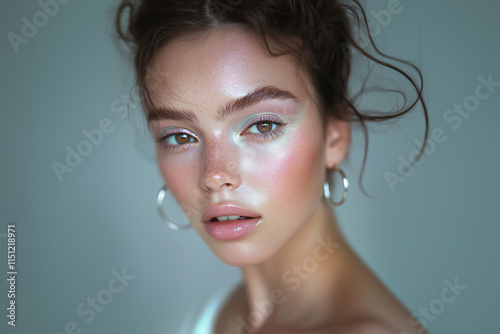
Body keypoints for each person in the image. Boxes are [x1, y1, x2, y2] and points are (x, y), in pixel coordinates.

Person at [115, 0, 430, 333]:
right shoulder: (221, 312)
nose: (214, 176)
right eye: (179, 136)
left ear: (334, 138)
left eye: (262, 126)